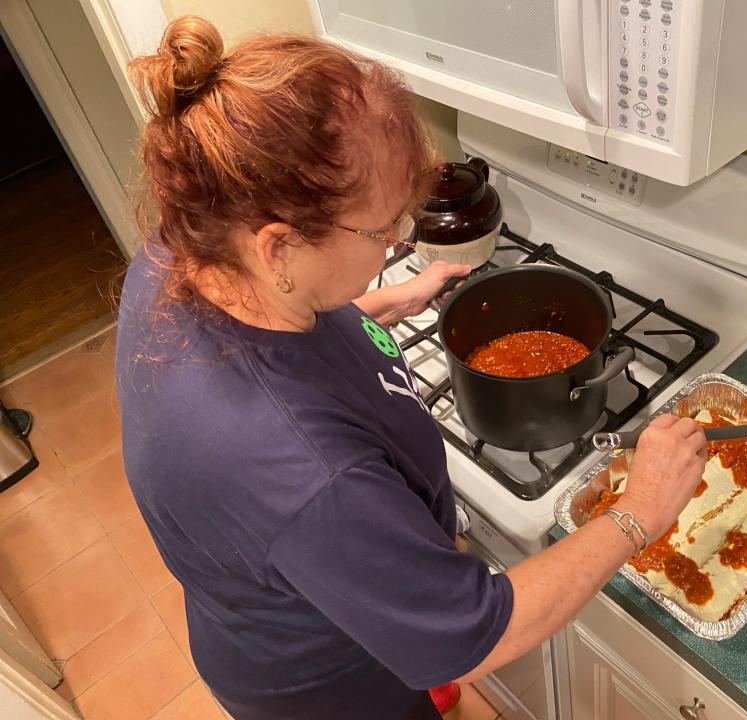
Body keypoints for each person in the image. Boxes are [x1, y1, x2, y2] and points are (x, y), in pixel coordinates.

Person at [116, 16, 707, 720]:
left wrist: (366, 308)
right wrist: (640, 511)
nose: (400, 240)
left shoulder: (185, 249)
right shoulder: (302, 476)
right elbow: (479, 633)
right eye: (383, 228)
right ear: (277, 250)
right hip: (333, 689)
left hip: (296, 609)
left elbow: (276, 346)